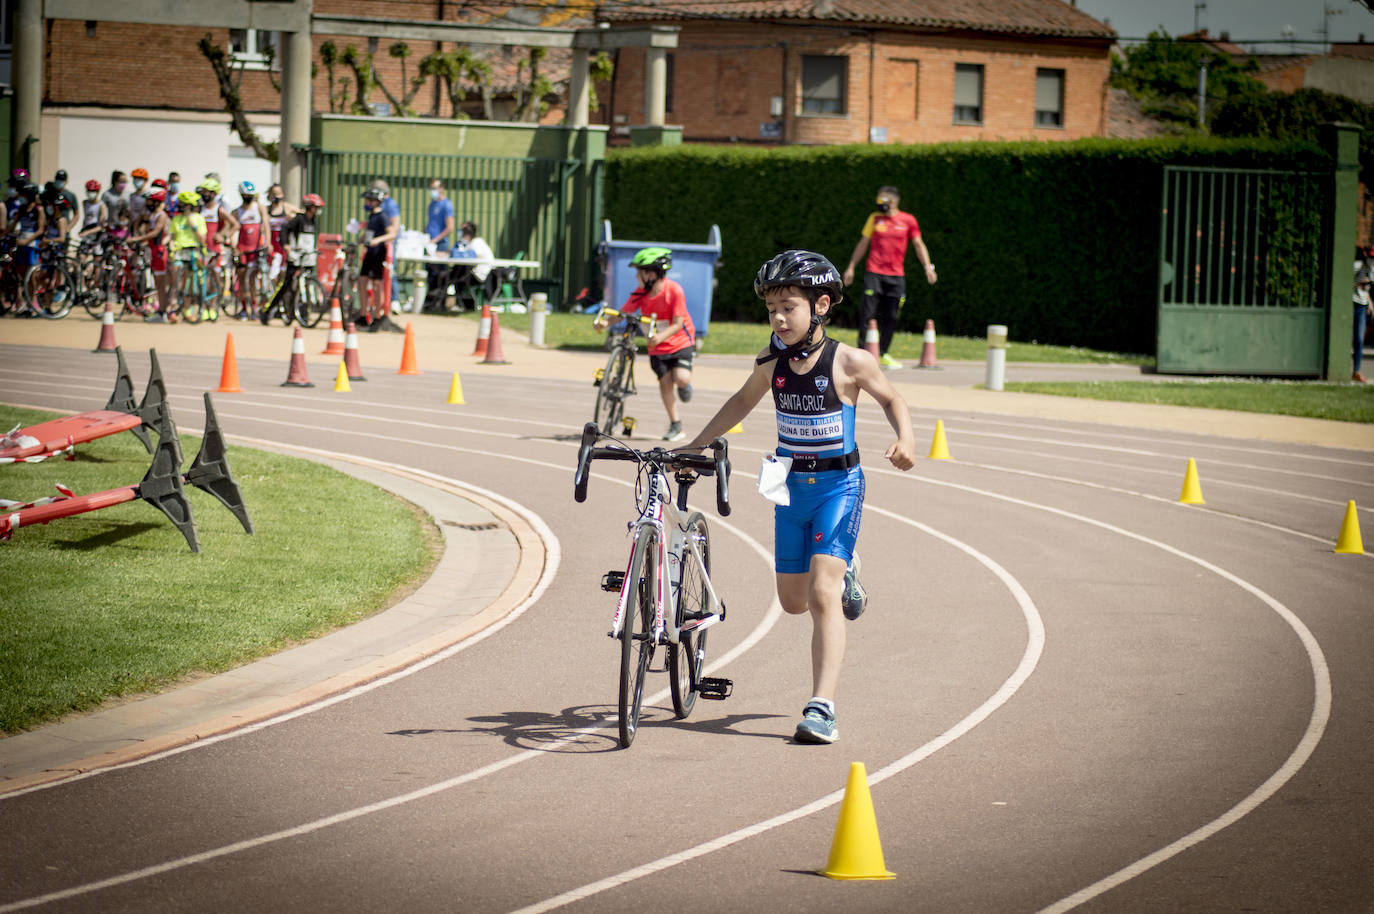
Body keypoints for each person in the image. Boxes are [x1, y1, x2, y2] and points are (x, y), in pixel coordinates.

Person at [681, 250, 916, 744]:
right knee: (792, 602)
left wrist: (907, 439)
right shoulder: (771, 362)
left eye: (789, 306)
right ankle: (848, 568)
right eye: (772, 310)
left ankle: (821, 708)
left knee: (822, 595)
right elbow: (742, 401)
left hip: (839, 485)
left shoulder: (851, 361)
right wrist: (696, 444)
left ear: (822, 304)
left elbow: (893, 399)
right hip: (789, 487)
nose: (779, 318)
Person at [595, 246, 696, 441]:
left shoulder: (674, 291)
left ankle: (684, 386)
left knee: (681, 378)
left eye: (639, 272)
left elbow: (678, 324)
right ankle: (676, 424)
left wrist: (660, 336)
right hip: (657, 346)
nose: (636, 277)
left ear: (652, 274)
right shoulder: (640, 293)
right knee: (665, 382)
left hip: (680, 341)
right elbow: (623, 313)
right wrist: (605, 324)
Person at [841, 185, 937, 370]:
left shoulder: (908, 220)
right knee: (867, 313)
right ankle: (863, 352)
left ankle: (883, 353)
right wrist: (851, 267)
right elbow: (863, 243)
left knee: (892, 315)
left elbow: (918, 244)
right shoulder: (874, 219)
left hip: (896, 276)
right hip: (874, 272)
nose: (878, 203)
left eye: (881, 200)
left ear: (892, 201)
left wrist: (928, 267)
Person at [264, 192, 323, 325]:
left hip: (308, 257)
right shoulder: (298, 219)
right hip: (296, 256)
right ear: (309, 207)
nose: (318, 210)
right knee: (286, 284)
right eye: (316, 207)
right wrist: (286, 246)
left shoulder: (313, 221)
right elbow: (284, 230)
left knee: (306, 285)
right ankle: (267, 310)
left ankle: (303, 314)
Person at [166, 189, 209, 324]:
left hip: (193, 252)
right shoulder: (176, 219)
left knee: (189, 284)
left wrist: (194, 226)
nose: (183, 207)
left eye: (185, 205)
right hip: (179, 252)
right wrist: (171, 249)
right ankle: (172, 310)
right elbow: (172, 237)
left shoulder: (198, 218)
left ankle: (187, 310)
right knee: (176, 282)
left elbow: (203, 239)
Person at [358, 188, 399, 331]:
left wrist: (377, 240)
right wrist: (358, 241)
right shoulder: (372, 216)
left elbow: (392, 234)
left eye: (368, 200)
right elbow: (368, 233)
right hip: (369, 253)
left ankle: (377, 316)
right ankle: (363, 315)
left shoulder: (383, 216)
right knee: (362, 281)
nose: (366, 203)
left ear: (375, 201)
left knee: (377, 285)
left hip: (378, 253)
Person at [129, 189, 171, 317]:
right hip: (151, 250)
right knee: (156, 283)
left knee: (160, 284)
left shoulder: (162, 216)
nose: (147, 203)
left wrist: (137, 238)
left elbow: (155, 233)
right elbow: (137, 226)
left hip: (159, 252)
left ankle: (162, 311)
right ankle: (159, 310)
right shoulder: (150, 215)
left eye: (149, 201)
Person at [232, 181, 270, 319]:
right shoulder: (237, 212)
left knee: (253, 279)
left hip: (255, 250)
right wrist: (234, 247)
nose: (248, 197)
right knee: (241, 278)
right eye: (246, 195)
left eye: (250, 195)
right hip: (242, 249)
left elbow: (266, 226)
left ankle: (254, 306)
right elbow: (233, 230)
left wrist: (267, 243)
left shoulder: (259, 208)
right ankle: (243, 308)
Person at [423, 178, 455, 312]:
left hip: (440, 244)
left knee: (440, 274)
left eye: (435, 188)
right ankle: (430, 303)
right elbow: (430, 224)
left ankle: (440, 303)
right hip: (429, 243)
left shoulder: (446, 205)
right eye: (431, 188)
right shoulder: (431, 205)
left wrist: (436, 239)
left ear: (441, 189)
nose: (432, 191)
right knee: (430, 273)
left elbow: (450, 227)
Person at [370, 178, 401, 311]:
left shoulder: (390, 204)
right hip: (379, 241)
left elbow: (395, 225)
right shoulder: (377, 204)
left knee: (389, 270)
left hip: (388, 242)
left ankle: (394, 300)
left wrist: (389, 239)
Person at [452, 220, 495, 309]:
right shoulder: (471, 242)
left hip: (481, 275)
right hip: (477, 273)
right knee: (457, 273)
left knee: (457, 277)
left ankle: (462, 304)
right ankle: (463, 304)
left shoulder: (476, 242)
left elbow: (477, 257)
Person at [265, 182, 300, 280]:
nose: (276, 196)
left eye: (278, 193)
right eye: (274, 194)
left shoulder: (287, 207)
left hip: (284, 242)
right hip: (272, 243)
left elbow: (302, 216)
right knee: (272, 272)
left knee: (283, 270)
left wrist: (293, 218)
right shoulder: (267, 209)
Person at [1354, 246, 1372, 384]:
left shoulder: (1372, 271)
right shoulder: (1357, 266)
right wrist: (1358, 282)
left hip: (1362, 306)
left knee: (1360, 339)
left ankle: (1357, 371)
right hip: (1351, 303)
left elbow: (1367, 290)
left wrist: (1370, 303)